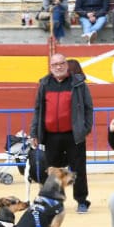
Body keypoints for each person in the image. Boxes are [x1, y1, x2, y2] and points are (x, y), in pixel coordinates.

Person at [31, 53, 94, 213]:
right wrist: (35, 133)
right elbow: (38, 110)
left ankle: (81, 200)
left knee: (78, 168)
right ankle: (53, 201)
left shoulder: (78, 84)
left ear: (66, 65)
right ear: (51, 67)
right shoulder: (44, 84)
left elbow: (88, 108)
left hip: (73, 135)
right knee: (52, 170)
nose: (58, 67)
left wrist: (85, 128)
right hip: (51, 135)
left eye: (61, 63)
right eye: (55, 64)